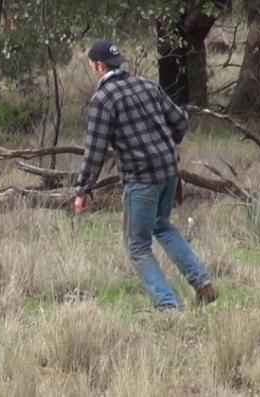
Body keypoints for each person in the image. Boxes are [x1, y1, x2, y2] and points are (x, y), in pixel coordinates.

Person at [73, 39, 217, 311]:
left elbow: (95, 150)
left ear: (99, 66)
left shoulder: (103, 99)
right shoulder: (147, 85)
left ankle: (168, 306)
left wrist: (82, 190)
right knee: (162, 226)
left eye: (92, 64)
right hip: (169, 171)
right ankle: (202, 283)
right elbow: (180, 121)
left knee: (137, 246)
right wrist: (163, 143)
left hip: (142, 178)